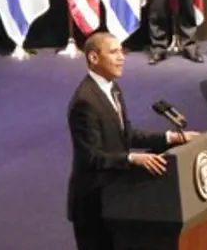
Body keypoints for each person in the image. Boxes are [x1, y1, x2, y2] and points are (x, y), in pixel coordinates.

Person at [66, 31, 198, 250]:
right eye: (114, 52)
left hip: (116, 198)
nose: (121, 57)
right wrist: (133, 158)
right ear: (93, 58)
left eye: (121, 51)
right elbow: (91, 157)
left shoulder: (113, 89)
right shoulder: (85, 102)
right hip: (93, 203)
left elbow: (126, 134)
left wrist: (171, 137)